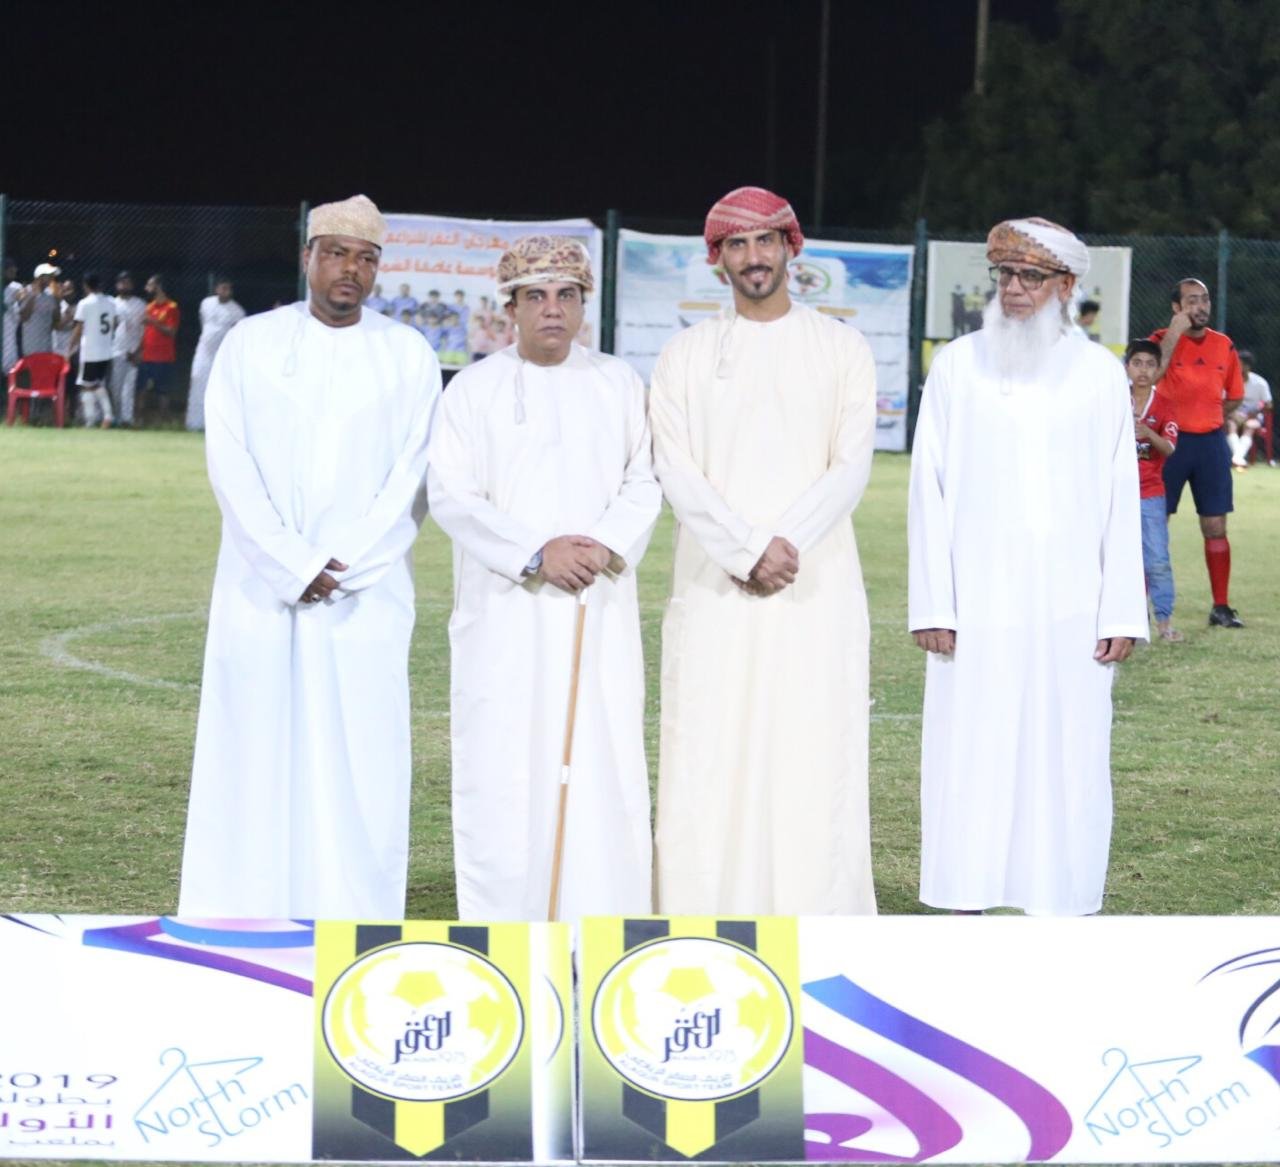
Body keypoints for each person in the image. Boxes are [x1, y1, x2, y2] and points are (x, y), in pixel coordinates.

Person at [178, 194, 441, 920]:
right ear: (308, 258)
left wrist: (345, 564)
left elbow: (413, 477)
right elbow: (231, 464)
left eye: (366, 258)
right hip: (260, 588)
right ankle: (239, 910)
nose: (350, 270)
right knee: (253, 746)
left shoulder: (408, 354)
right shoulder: (251, 343)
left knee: (360, 754)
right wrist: (292, 564)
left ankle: (353, 913)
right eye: (336, 254)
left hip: (364, 594)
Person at [649, 186, 878, 916]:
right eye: (737, 244)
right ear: (718, 259)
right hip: (717, 585)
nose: (753, 257)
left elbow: (851, 464)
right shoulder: (685, 354)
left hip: (814, 584)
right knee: (709, 749)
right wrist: (746, 551)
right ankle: (700, 917)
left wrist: (783, 545)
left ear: (790, 248)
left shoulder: (841, 348)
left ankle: (819, 921)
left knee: (813, 749)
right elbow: (675, 468)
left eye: (765, 241)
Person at [909, 216, 1147, 917]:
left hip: (1071, 606)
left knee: (1067, 753)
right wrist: (933, 604)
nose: (1014, 288)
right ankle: (963, 896)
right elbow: (927, 489)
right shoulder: (958, 366)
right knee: (969, 749)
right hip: (974, 605)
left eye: (1031, 277)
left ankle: (1060, 901)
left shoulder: (1099, 375)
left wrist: (1121, 610)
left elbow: (1120, 496)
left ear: (1066, 286)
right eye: (1005, 274)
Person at [428, 236, 660, 922]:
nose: (552, 309)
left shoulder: (618, 383)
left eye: (566, 295)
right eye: (535, 296)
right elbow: (451, 495)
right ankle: (508, 921)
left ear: (584, 305)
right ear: (511, 308)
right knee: (505, 762)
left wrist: (601, 546)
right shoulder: (473, 390)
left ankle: (604, 918)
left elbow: (644, 480)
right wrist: (536, 552)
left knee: (603, 756)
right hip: (507, 610)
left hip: (598, 601)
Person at [1150, 279, 1245, 627]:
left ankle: (1221, 607)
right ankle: (1140, 606)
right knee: (1155, 524)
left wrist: (1209, 415)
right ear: (1176, 308)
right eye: (1191, 301)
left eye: (1204, 299)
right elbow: (1151, 376)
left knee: (1215, 525)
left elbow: (1234, 395)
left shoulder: (1224, 344)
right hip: (1168, 443)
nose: (1201, 306)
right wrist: (1174, 334)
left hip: (1210, 444)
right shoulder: (1159, 340)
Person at [1126, 339, 1181, 641]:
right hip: (1116, 493)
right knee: (1122, 558)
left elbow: (1169, 448)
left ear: (1158, 369)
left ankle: (1164, 622)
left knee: (1157, 558)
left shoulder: (1165, 405)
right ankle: (1130, 621)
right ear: (1127, 367)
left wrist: (1147, 432)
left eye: (1150, 365)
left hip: (1149, 493)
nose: (1143, 371)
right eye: (1137, 363)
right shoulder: (1115, 401)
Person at [185, 277, 246, 431]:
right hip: (203, 352)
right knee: (197, 384)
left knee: (222, 390)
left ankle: (217, 426)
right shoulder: (206, 303)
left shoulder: (237, 311)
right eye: (223, 288)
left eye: (228, 288)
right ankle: (194, 424)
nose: (225, 291)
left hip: (223, 355)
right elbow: (204, 323)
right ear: (217, 289)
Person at [68, 272, 119, 429]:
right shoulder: (111, 301)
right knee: (95, 383)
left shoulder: (85, 303)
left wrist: (70, 347)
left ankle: (93, 419)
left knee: (86, 385)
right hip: (106, 349)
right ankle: (103, 416)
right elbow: (116, 322)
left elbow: (78, 328)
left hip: (90, 350)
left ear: (85, 286)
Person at [137, 274, 180, 419]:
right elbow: (145, 332)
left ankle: (163, 421)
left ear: (158, 286)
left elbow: (171, 332)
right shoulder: (149, 307)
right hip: (147, 356)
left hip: (163, 357)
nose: (146, 288)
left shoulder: (171, 307)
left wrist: (154, 322)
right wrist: (139, 350)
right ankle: (139, 420)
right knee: (142, 389)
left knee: (163, 391)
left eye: (150, 285)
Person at [109, 271, 146, 426]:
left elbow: (145, 330)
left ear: (132, 285)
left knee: (129, 389)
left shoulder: (140, 304)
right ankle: (115, 418)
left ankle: (127, 419)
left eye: (127, 282)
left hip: (133, 350)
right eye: (121, 282)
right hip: (115, 351)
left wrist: (138, 351)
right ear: (117, 285)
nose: (124, 285)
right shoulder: (112, 303)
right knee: (115, 388)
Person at [1226, 349, 1272, 468]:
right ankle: (1239, 458)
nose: (1235, 366)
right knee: (1231, 425)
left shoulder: (1260, 382)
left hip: (1253, 417)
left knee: (1249, 426)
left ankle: (1236, 458)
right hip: (1234, 416)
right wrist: (1232, 413)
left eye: (1239, 364)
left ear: (1247, 366)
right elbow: (1223, 401)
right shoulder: (1229, 381)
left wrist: (1255, 412)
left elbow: (1269, 405)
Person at [18, 263, 61, 357]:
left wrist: (58, 300)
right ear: (40, 277)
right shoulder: (27, 291)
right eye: (49, 275)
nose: (52, 278)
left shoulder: (50, 295)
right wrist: (34, 295)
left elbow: (56, 321)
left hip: (47, 346)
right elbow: (24, 317)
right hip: (31, 347)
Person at [2, 259, 22, 375]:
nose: (13, 274)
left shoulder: (16, 287)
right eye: (10, 271)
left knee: (9, 368)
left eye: (14, 272)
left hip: (9, 330)